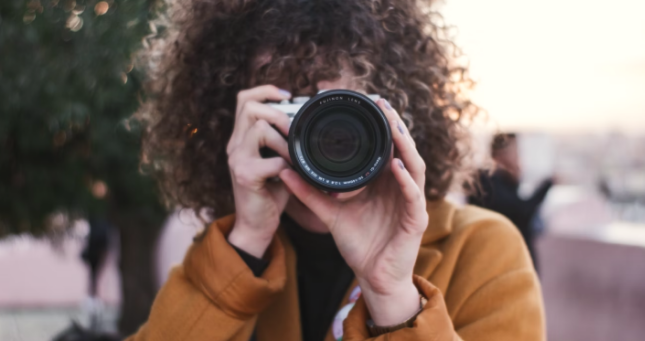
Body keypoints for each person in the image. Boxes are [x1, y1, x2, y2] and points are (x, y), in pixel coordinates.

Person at [128, 0, 544, 340]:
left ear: (397, 114)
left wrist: (394, 297)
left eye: (341, 110)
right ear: (234, 120)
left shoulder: (481, 248)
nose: (319, 135)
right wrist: (246, 244)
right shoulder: (230, 252)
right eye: (292, 108)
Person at [468, 133, 553, 272]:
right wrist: (546, 186)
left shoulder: (499, 180)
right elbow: (520, 212)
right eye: (516, 151)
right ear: (502, 153)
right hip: (503, 261)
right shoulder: (487, 181)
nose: (518, 157)